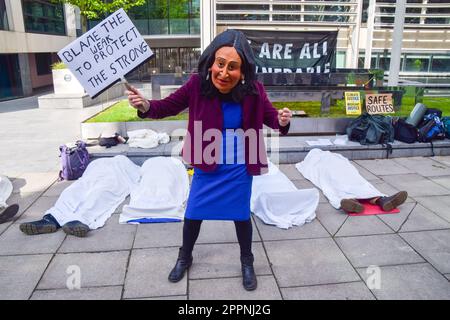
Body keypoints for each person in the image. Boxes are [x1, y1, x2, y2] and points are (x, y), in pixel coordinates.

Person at [126, 29, 292, 291]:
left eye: (233, 67)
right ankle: (185, 256)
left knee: (240, 214)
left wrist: (282, 121)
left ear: (243, 70)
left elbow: (270, 117)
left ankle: (247, 261)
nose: (224, 72)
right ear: (212, 62)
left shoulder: (254, 90)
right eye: (220, 64)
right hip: (207, 159)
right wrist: (145, 106)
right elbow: (167, 106)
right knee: (194, 212)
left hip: (239, 163)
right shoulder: (197, 85)